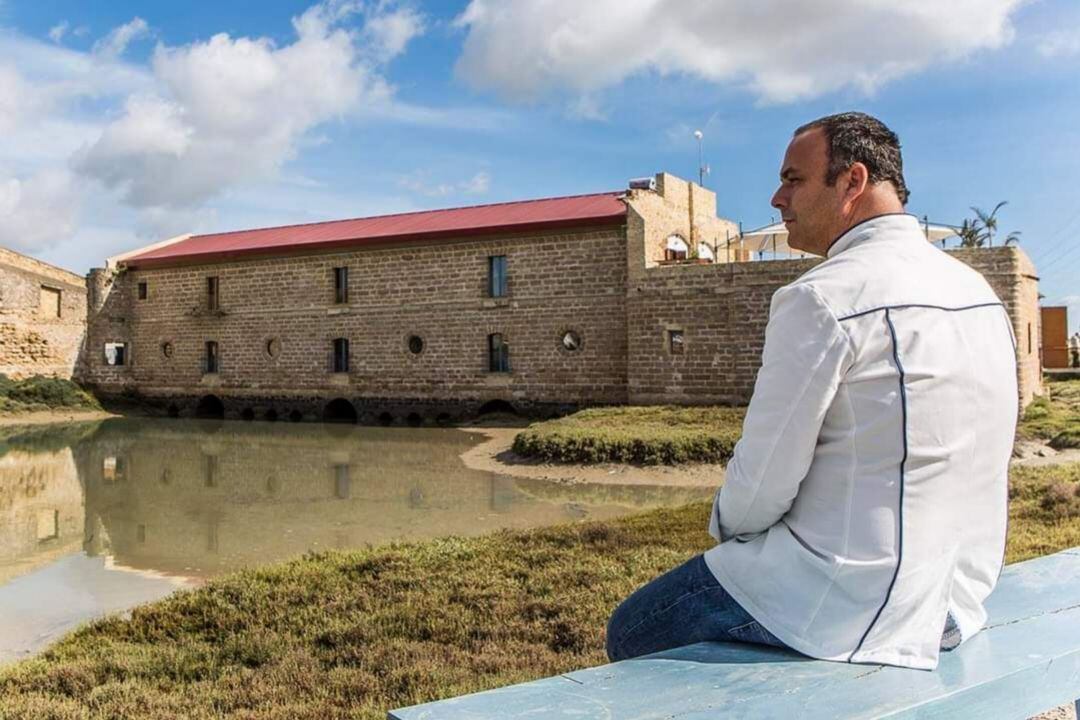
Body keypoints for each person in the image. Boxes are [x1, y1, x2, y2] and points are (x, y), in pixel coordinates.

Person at [606, 112, 1018, 670]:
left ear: (852, 182)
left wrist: (729, 532)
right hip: (955, 601)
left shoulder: (821, 297)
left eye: (793, 178)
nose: (777, 197)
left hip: (854, 607)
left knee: (633, 629)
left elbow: (762, 483)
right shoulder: (979, 292)